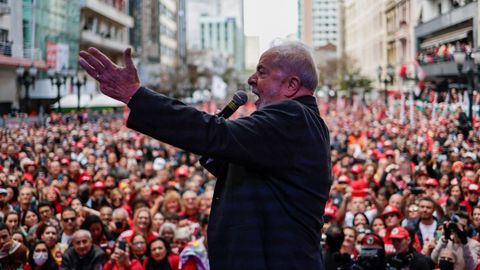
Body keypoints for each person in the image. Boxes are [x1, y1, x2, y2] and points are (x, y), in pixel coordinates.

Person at [80, 40, 331, 269]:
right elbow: (238, 163)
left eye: (262, 72)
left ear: (292, 85)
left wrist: (135, 95)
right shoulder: (298, 123)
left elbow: (214, 134)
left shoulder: (293, 117)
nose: (252, 79)